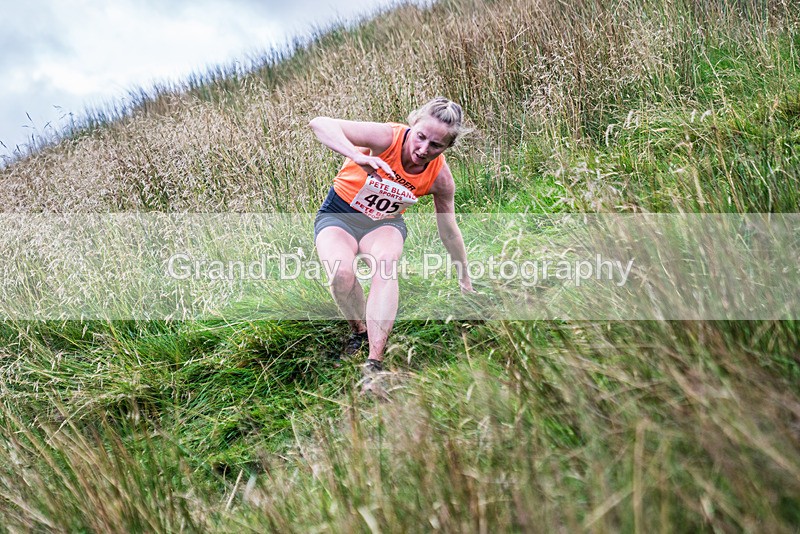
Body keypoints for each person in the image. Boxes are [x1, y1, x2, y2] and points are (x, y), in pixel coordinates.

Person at [309, 97, 473, 380]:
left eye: (435, 145)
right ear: (413, 125)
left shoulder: (440, 179)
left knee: (385, 265)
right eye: (420, 137)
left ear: (448, 147)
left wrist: (464, 278)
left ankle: (374, 362)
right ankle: (358, 331)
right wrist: (357, 155)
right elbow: (320, 124)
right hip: (339, 215)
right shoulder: (387, 137)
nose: (423, 150)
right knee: (341, 274)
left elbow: (449, 230)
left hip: (384, 225)